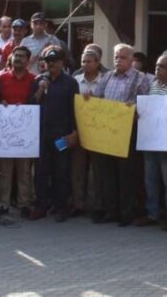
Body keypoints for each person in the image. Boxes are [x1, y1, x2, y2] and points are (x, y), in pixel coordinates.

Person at [90, 43, 150, 227]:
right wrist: (88, 98)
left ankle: (126, 212)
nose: (118, 60)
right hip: (108, 132)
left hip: (128, 132)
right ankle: (111, 210)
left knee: (126, 174)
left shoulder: (140, 79)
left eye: (122, 57)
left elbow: (145, 104)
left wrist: (134, 107)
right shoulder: (107, 77)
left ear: (131, 60)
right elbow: (97, 98)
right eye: (116, 57)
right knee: (108, 172)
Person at [29, 46, 79, 222]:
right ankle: (41, 206)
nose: (51, 64)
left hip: (62, 135)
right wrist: (40, 89)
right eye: (48, 61)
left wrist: (74, 132)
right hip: (43, 135)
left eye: (55, 61)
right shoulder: (38, 80)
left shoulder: (70, 83)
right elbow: (31, 104)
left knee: (61, 171)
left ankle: (61, 207)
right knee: (41, 172)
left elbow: (75, 109)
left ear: (62, 62)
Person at [137, 54, 167, 231]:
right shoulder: (153, 85)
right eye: (157, 66)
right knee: (150, 179)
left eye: (162, 66)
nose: (157, 69)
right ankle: (152, 213)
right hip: (150, 139)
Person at [0, 47, 36, 218]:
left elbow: (37, 102)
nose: (18, 58)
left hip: (25, 133)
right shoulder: (1, 77)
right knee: (4, 171)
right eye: (16, 55)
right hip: (5, 132)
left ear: (28, 60)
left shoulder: (34, 79)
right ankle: (4, 204)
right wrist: (0, 102)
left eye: (22, 56)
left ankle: (24, 204)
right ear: (11, 58)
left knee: (24, 171)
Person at [73, 49, 104, 216]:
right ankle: (78, 204)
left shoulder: (105, 80)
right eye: (83, 62)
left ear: (97, 63)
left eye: (89, 61)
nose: (85, 65)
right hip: (79, 131)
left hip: (99, 133)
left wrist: (97, 101)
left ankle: (99, 206)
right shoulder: (75, 80)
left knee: (98, 171)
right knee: (78, 170)